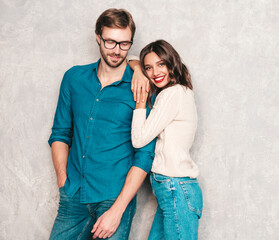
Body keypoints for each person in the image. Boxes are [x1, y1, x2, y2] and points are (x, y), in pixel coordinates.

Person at [48, 8, 155, 239]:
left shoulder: (140, 87)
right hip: (74, 194)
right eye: (110, 42)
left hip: (115, 198)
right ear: (97, 37)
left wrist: (118, 210)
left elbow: (145, 154)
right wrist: (63, 181)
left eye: (125, 44)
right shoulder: (74, 78)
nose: (117, 51)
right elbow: (60, 133)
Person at [131, 40, 203, 240]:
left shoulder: (172, 94)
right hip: (173, 190)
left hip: (176, 189)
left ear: (172, 63)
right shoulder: (180, 92)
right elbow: (130, 58)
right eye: (148, 67)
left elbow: (138, 139)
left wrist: (140, 100)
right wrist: (137, 68)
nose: (155, 73)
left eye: (161, 64)